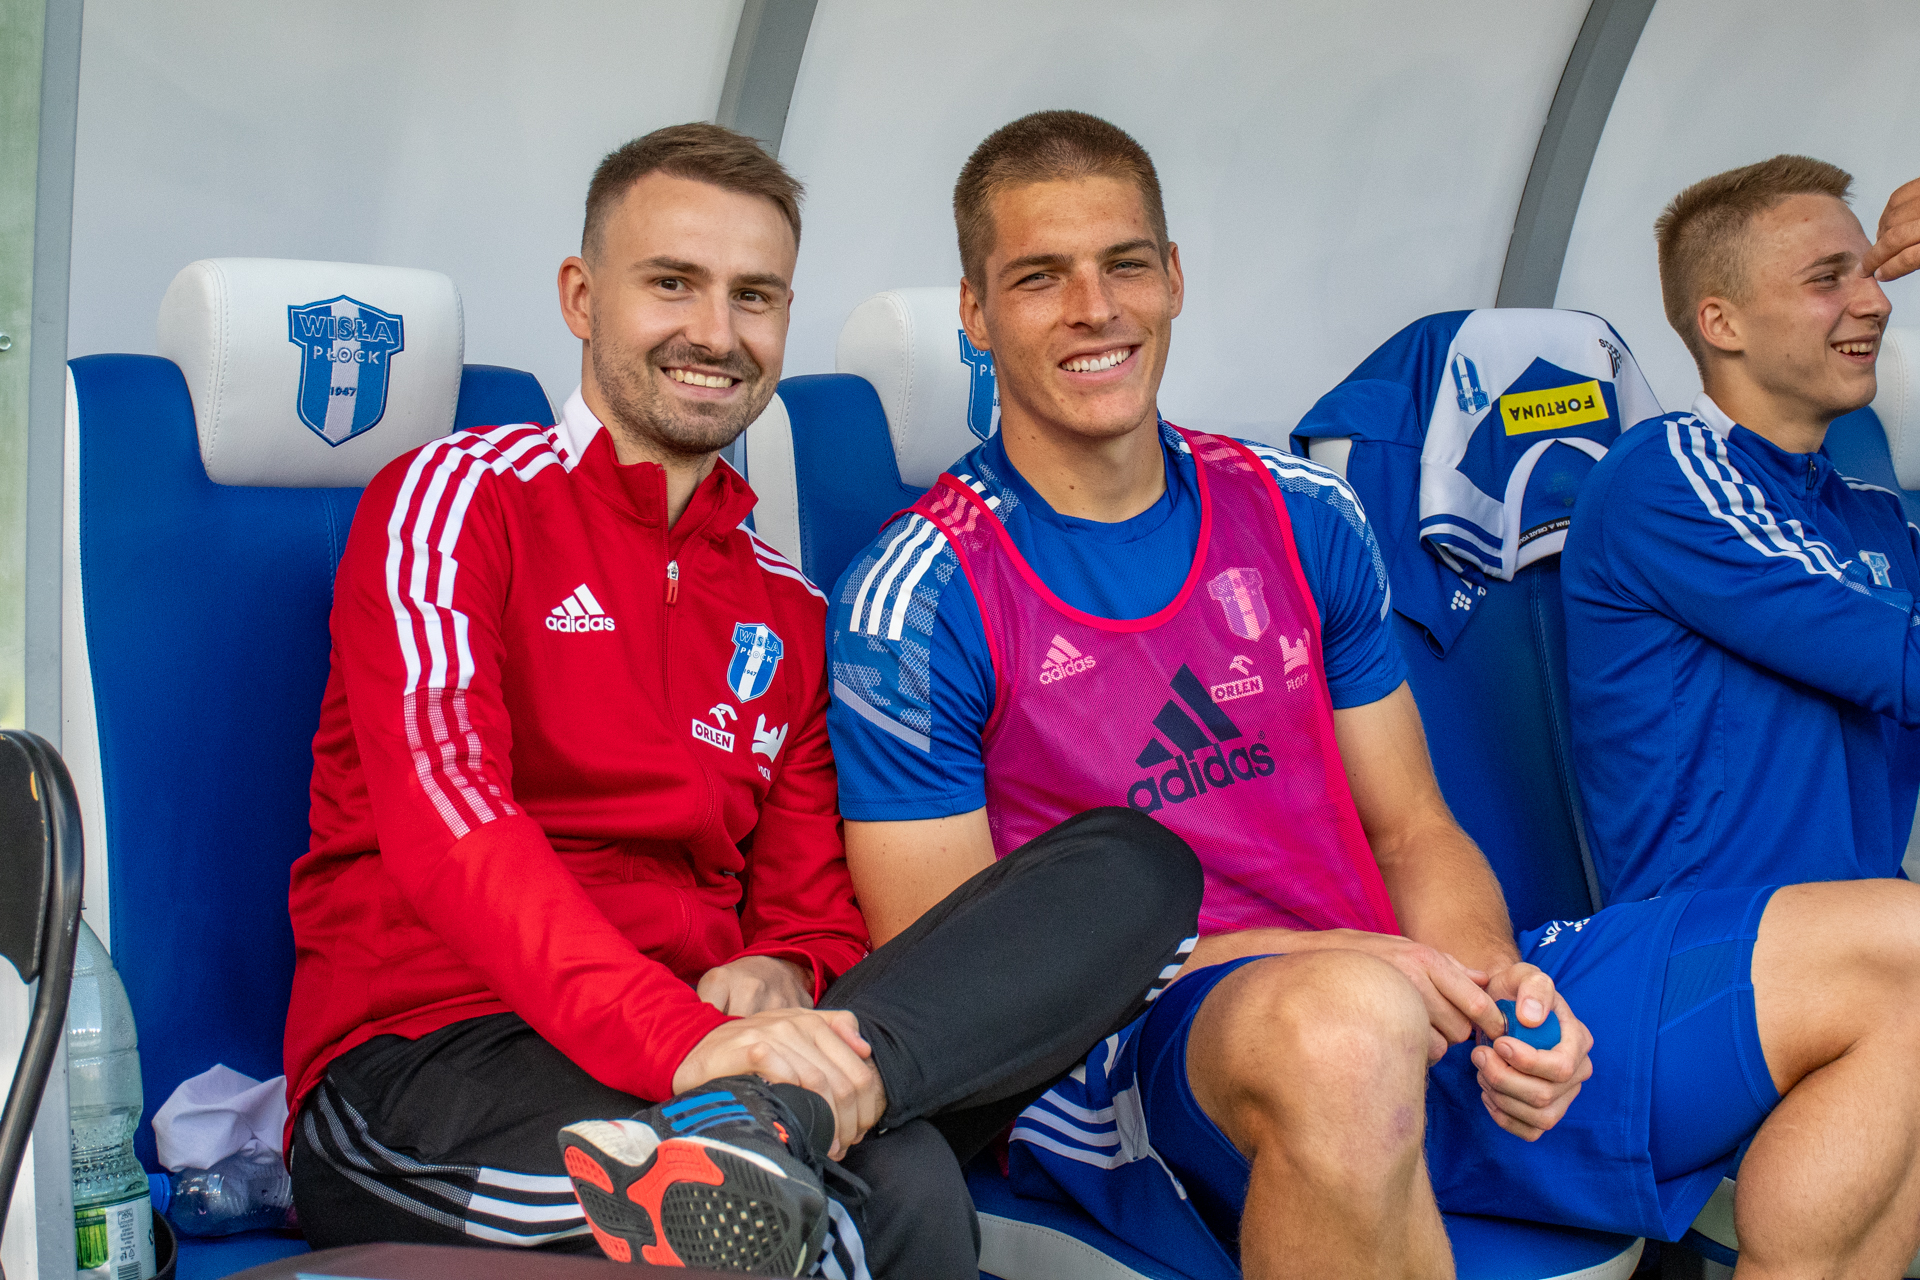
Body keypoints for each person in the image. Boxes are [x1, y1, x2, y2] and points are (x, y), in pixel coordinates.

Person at [827, 113, 1920, 1280]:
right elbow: (963, 976)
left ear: (1175, 278)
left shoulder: (1302, 511)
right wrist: (1358, 965)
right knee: (1349, 1026)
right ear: (975, 313)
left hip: (1402, 989)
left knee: (1899, 946)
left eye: (1125, 263)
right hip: (1137, 1048)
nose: (1095, 307)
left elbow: (1413, 829)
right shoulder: (918, 593)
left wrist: (1493, 985)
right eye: (1040, 277)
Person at [284, 122, 1202, 1279]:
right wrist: (686, 1040)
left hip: (714, 1073)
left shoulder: (794, 609)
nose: (717, 333)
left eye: (754, 296)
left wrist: (791, 969)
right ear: (581, 297)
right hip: (431, 1063)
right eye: (673, 283)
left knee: (1133, 867)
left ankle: (781, 1122)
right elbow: (450, 823)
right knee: (874, 1202)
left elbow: (814, 905)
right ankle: (760, 1132)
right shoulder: (454, 501)